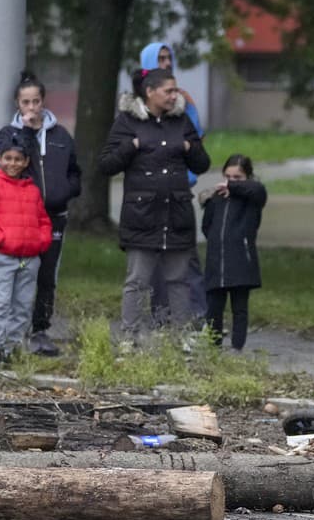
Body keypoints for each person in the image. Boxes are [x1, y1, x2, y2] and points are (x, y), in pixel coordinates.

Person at [99, 67, 211, 341]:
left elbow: (203, 163)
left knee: (179, 280)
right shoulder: (127, 122)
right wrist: (132, 145)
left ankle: (182, 337)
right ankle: (130, 339)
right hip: (142, 216)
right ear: (150, 92)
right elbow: (106, 165)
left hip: (177, 215)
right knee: (137, 282)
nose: (175, 96)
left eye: (175, 90)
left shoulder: (182, 121)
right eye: (169, 91)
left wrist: (189, 148)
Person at [11, 71, 81, 356]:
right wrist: (27, 131)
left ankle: (40, 330)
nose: (31, 108)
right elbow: (12, 166)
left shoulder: (60, 135)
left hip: (54, 216)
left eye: (36, 101)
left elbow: (74, 171)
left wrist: (66, 190)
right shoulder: (12, 134)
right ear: (18, 103)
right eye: (25, 102)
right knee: (22, 274)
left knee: (47, 275)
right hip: (23, 219)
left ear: (43, 102)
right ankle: (18, 331)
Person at [0, 127, 53, 372]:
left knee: (23, 304)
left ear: (26, 161)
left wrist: (42, 241)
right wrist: (3, 240)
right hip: (5, 256)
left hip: (30, 258)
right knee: (0, 303)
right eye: (8, 158)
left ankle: (12, 348)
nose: (13, 163)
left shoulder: (31, 189)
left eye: (18, 159)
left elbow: (43, 220)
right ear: (0, 159)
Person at [138, 42, 208, 319]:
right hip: (149, 197)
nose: (166, 63)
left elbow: (197, 143)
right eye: (160, 58)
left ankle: (198, 318)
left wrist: (185, 177)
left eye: (169, 58)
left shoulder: (183, 102)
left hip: (178, 193)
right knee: (152, 262)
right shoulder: (136, 108)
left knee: (186, 259)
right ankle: (162, 316)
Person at [200, 154, 268, 351]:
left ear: (248, 177)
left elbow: (257, 189)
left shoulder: (254, 196)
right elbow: (207, 226)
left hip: (241, 259)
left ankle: (237, 348)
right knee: (213, 308)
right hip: (216, 260)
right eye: (228, 177)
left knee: (239, 308)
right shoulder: (216, 199)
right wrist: (215, 240)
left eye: (237, 177)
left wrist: (232, 187)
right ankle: (214, 347)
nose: (230, 181)